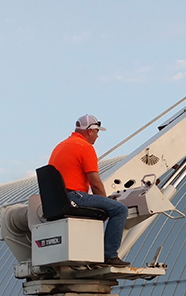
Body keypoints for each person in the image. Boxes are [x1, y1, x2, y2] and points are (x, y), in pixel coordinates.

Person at [47, 114, 130, 267]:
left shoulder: (61, 146)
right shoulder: (85, 147)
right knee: (120, 210)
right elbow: (95, 183)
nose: (97, 136)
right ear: (90, 131)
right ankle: (109, 255)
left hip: (58, 199)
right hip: (74, 196)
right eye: (97, 132)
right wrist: (105, 203)